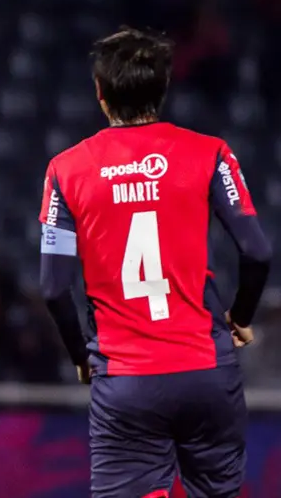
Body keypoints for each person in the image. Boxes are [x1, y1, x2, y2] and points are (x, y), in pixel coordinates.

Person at [38, 27, 272, 498]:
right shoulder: (211, 153)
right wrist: (241, 317)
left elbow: (53, 288)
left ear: (100, 92)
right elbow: (257, 251)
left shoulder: (66, 169)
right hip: (206, 369)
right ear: (163, 87)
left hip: (126, 380)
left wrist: (82, 357)